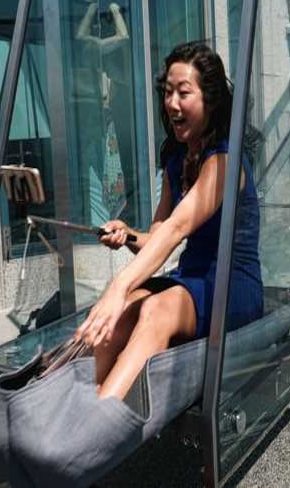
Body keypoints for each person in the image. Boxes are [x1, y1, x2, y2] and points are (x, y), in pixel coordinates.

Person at [73, 41, 263, 401]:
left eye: (183, 92)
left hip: (233, 286)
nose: (172, 103)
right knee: (129, 308)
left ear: (210, 100)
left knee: (156, 308)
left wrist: (117, 287)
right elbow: (157, 236)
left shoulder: (225, 162)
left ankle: (96, 420)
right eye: (168, 92)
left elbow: (177, 230)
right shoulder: (177, 159)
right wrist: (128, 235)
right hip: (190, 281)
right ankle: (72, 401)